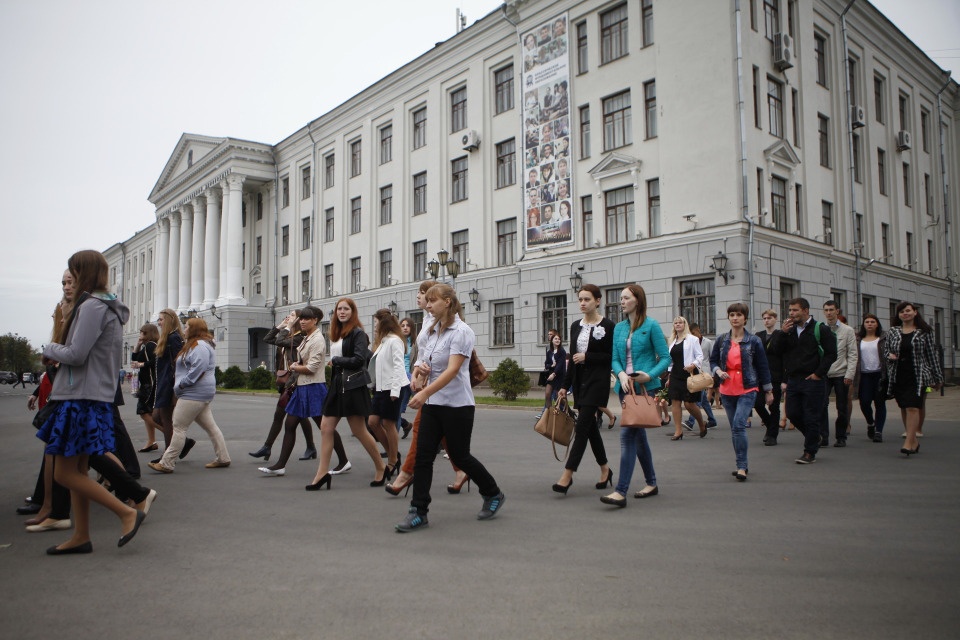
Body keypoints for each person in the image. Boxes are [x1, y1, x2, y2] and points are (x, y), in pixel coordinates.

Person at [36, 250, 145, 554]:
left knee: (64, 473)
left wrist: (49, 348)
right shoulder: (105, 306)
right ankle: (81, 536)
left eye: (72, 272)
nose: (68, 280)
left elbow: (76, 354)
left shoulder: (92, 307)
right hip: (90, 396)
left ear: (82, 272)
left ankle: (126, 513)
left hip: (79, 397)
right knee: (79, 472)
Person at [394, 284, 505, 532]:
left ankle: (493, 493)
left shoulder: (462, 332)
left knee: (460, 455)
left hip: (457, 405)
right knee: (423, 457)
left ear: (447, 301)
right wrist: (417, 373)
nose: (428, 304)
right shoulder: (429, 331)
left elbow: (453, 370)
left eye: (433, 301)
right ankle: (418, 511)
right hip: (433, 404)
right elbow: (424, 361)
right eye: (427, 301)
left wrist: (423, 393)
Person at [259, 306, 349, 477]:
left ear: (315, 320)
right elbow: (275, 340)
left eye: (306, 319)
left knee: (326, 428)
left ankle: (344, 461)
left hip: (314, 387)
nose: (302, 321)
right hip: (302, 387)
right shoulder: (307, 337)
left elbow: (313, 367)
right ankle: (280, 465)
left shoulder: (317, 340)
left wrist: (295, 367)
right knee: (290, 424)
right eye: (301, 319)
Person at [306, 298, 385, 490]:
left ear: (352, 311)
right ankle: (322, 474)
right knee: (326, 427)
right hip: (337, 386)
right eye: (339, 309)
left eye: (346, 309)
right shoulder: (335, 333)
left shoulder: (357, 333)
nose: (342, 312)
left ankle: (381, 467)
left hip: (353, 387)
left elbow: (359, 359)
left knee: (359, 431)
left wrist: (337, 360)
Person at [601, 284, 669, 507]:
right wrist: (620, 374)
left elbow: (666, 358)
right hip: (625, 389)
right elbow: (614, 358)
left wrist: (648, 376)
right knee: (638, 437)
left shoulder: (651, 326)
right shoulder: (619, 328)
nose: (621, 301)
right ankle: (651, 483)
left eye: (626, 298)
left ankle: (620, 492)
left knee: (628, 435)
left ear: (637, 301)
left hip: (644, 388)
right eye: (620, 298)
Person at [148, 318, 231, 473]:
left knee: (178, 427)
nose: (184, 330)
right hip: (198, 392)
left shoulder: (199, 346)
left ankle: (167, 463)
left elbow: (198, 369)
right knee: (211, 427)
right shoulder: (197, 345)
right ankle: (223, 457)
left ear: (194, 330)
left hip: (193, 393)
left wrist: (182, 384)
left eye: (187, 327)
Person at [553, 284, 614, 494]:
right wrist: (564, 386)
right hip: (580, 381)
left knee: (581, 428)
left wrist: (588, 356)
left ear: (598, 301)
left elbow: (609, 357)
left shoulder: (608, 326)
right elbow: (572, 358)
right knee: (590, 429)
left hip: (597, 381)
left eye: (587, 299)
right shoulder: (575, 326)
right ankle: (605, 469)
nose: (582, 303)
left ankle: (567, 474)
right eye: (580, 299)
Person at [711, 303, 774, 481]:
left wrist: (768, 390)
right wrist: (717, 371)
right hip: (727, 388)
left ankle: (741, 466)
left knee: (739, 425)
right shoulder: (722, 339)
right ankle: (741, 464)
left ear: (745, 318)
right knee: (735, 429)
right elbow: (713, 360)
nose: (735, 318)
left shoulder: (754, 341)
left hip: (748, 387)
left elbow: (762, 366)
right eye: (732, 315)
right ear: (728, 318)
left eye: (739, 315)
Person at [249, 310, 319, 461]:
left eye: (293, 315)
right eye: (289, 315)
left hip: (296, 381)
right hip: (287, 382)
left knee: (292, 416)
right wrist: (280, 326)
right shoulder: (289, 336)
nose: (289, 317)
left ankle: (268, 447)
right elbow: (268, 339)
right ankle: (309, 447)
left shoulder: (300, 338)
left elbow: (280, 341)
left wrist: (287, 327)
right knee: (296, 417)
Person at [781, 298, 837, 464]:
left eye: (795, 310)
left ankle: (809, 451)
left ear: (805, 310)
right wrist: (783, 333)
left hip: (813, 379)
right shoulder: (789, 330)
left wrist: (819, 373)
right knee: (792, 413)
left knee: (811, 415)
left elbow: (831, 353)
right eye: (790, 310)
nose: (791, 313)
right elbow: (778, 350)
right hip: (794, 379)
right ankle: (815, 437)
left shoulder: (820, 329)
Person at [884, 302, 943, 456]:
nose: (905, 313)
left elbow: (931, 355)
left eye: (908, 311)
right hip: (898, 374)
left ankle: (909, 442)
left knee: (913, 407)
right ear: (898, 315)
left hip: (918, 375)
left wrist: (938, 377)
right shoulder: (893, 332)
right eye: (902, 311)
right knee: (904, 406)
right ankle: (913, 441)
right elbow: (886, 351)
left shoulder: (924, 332)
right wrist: (889, 356)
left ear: (915, 312)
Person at [367, 308, 408, 475]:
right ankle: (393, 454)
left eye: (376, 322)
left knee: (389, 423)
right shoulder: (383, 341)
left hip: (393, 388)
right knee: (372, 423)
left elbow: (399, 366)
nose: (375, 326)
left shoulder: (394, 341)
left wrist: (395, 391)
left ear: (383, 323)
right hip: (381, 388)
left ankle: (392, 461)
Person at [152, 308, 196, 464]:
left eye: (161, 319)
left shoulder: (173, 338)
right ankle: (183, 442)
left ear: (170, 320)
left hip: (169, 385)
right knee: (157, 417)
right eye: (158, 319)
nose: (158, 322)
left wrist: (176, 386)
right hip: (164, 383)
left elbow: (179, 362)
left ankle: (168, 456)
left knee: (166, 419)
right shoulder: (167, 338)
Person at [821, 301, 858, 447]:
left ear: (837, 311)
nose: (829, 313)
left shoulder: (847, 330)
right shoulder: (821, 329)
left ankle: (841, 436)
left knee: (842, 407)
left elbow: (853, 354)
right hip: (824, 373)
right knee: (821, 405)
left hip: (841, 373)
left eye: (831, 310)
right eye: (826, 310)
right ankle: (823, 436)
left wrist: (850, 374)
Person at [666, 316, 707, 439]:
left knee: (689, 404)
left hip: (689, 374)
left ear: (685, 324)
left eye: (680, 322)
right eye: (675, 323)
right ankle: (678, 431)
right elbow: (671, 361)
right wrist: (669, 377)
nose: (678, 324)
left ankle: (701, 424)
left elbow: (700, 356)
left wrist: (693, 365)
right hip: (675, 374)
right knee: (675, 402)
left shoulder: (693, 339)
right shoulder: (672, 341)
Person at [753, 310, 786, 445]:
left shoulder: (780, 335)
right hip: (760, 376)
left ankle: (772, 435)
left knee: (774, 406)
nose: (767, 320)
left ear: (775, 319)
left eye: (769, 318)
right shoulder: (758, 336)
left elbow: (785, 358)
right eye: (764, 318)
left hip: (776, 375)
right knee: (758, 404)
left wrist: (785, 379)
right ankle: (770, 425)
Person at [130, 323, 162, 452]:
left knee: (143, 413)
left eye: (143, 333)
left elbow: (156, 361)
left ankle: (169, 433)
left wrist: (142, 364)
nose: (140, 335)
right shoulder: (146, 346)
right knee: (148, 413)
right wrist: (137, 345)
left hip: (149, 383)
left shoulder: (150, 345)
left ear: (149, 333)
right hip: (147, 383)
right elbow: (134, 359)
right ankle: (151, 441)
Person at [856, 314, 887, 443]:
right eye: (867, 322)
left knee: (880, 403)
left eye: (872, 322)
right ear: (863, 324)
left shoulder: (883, 338)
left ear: (877, 324)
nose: (869, 324)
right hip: (864, 374)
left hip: (879, 374)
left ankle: (879, 431)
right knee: (864, 402)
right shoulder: (858, 339)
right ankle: (870, 423)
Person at [683, 323, 718, 431]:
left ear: (698, 330)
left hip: (705, 373)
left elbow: (713, 358)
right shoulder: (689, 342)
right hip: (695, 373)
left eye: (693, 333)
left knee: (697, 400)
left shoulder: (707, 342)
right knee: (703, 400)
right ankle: (712, 420)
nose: (692, 335)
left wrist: (713, 374)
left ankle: (691, 422)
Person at [536, 330, 566, 420]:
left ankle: (565, 412)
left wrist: (554, 373)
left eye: (559, 339)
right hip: (551, 376)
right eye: (555, 339)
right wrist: (551, 365)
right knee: (548, 394)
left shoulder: (562, 352)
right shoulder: (549, 352)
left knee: (558, 397)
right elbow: (546, 364)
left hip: (559, 376)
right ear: (552, 340)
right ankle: (548, 414)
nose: (557, 340)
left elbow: (560, 365)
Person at [397, 317, 416, 438]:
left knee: (426, 407)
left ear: (411, 328)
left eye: (407, 325)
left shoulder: (416, 342)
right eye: (402, 325)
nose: (405, 327)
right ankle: (392, 446)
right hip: (400, 379)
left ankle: (439, 440)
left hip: (412, 378)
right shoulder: (397, 342)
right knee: (397, 411)